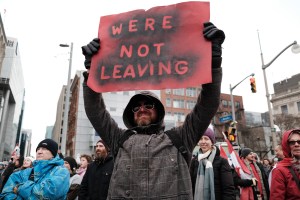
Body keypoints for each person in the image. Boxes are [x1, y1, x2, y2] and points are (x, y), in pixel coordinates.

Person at [81, 22, 224, 199]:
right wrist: (92, 73)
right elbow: (95, 111)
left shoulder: (180, 137)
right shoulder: (119, 139)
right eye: (137, 106)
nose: (142, 109)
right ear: (131, 114)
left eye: (148, 105)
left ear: (159, 112)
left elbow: (207, 105)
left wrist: (213, 64)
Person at [0, 138, 70, 199]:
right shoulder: (21, 173)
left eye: (44, 149)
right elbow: (5, 194)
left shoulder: (61, 172)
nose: (39, 152)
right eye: (38, 149)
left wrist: (19, 188)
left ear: (53, 154)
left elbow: (45, 194)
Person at [190, 127, 235, 200]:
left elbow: (228, 189)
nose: (203, 141)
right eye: (201, 139)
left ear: (212, 142)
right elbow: (190, 186)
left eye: (206, 139)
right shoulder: (194, 161)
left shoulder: (222, 162)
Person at [270, 129, 300, 199]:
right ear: (286, 145)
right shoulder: (279, 170)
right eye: (292, 142)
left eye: (299, 141)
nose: (296, 144)